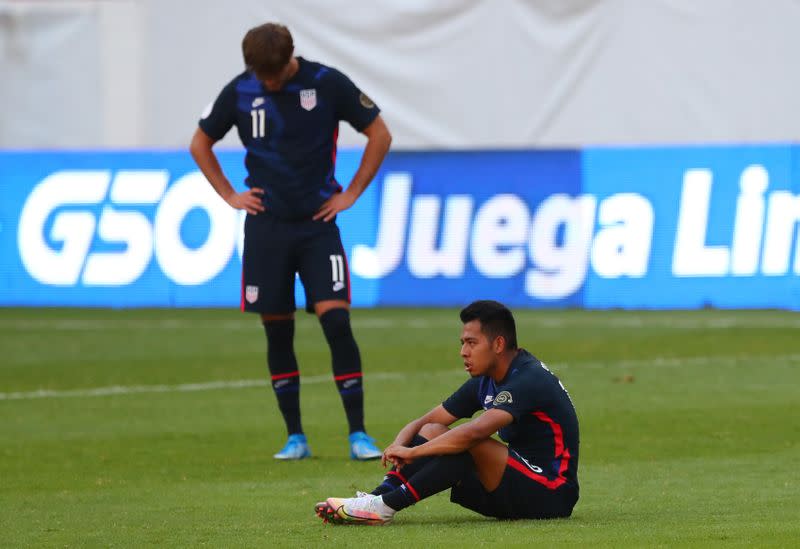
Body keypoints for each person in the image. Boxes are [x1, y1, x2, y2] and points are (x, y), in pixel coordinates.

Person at [189, 22, 391, 460]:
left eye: (273, 75)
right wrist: (229, 194)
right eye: (260, 75)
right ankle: (295, 437)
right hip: (266, 229)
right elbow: (200, 142)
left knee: (336, 322)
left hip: (318, 226)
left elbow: (379, 133)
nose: (267, 82)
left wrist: (351, 193)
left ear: (289, 59)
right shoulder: (241, 91)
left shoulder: (326, 83)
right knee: (277, 332)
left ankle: (358, 434)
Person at [315, 300, 580, 524]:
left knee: (468, 443)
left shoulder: (527, 379)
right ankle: (376, 498)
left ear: (498, 344)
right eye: (463, 342)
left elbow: (475, 432)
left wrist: (413, 452)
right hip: (517, 485)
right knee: (432, 432)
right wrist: (399, 444)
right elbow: (425, 423)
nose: (463, 352)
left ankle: (385, 506)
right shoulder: (486, 379)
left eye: (471, 343)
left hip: (552, 492)